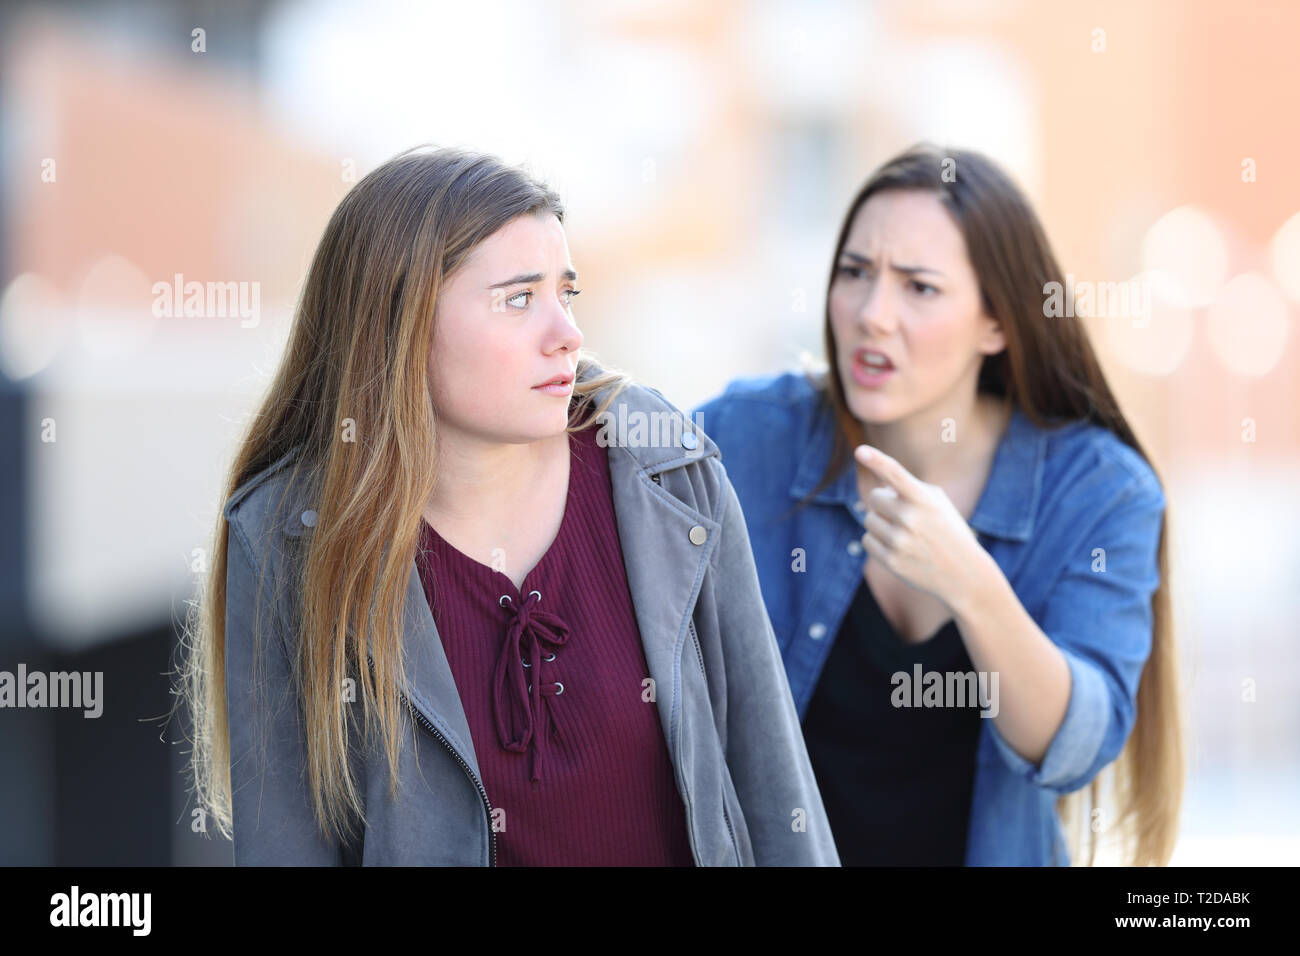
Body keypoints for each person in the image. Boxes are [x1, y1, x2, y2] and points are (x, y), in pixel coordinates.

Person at [178, 145, 838, 866]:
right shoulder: (288, 538)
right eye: (519, 299)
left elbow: (776, 788)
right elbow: (285, 847)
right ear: (398, 324)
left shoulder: (667, 470)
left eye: (566, 294)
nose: (567, 334)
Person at [691, 143, 1183, 866]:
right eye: (856, 274)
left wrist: (972, 584)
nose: (872, 315)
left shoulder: (1100, 490)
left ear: (999, 323)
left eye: (919, 287)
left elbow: (1076, 746)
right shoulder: (748, 437)